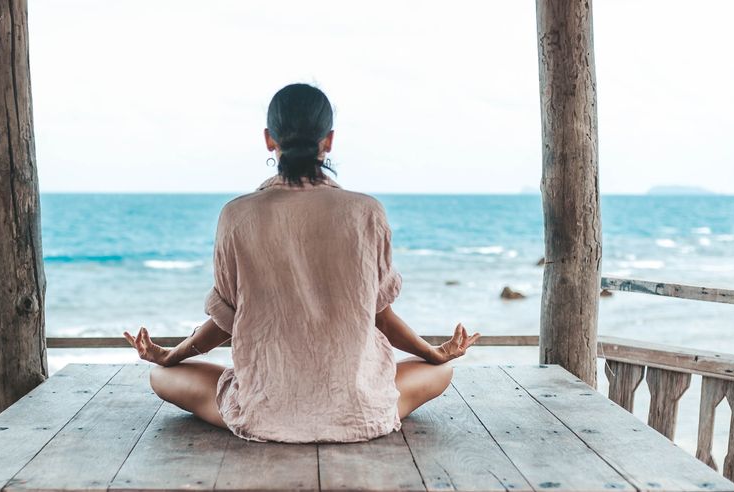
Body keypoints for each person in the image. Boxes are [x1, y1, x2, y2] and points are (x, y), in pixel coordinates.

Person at [123, 83, 480, 443]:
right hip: (355, 412)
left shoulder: (235, 215)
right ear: (329, 140)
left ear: (268, 139)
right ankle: (353, 410)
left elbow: (226, 321)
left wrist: (170, 356)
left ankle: (279, 411)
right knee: (441, 372)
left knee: (160, 377)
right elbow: (380, 316)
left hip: (264, 412)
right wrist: (434, 352)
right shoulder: (367, 212)